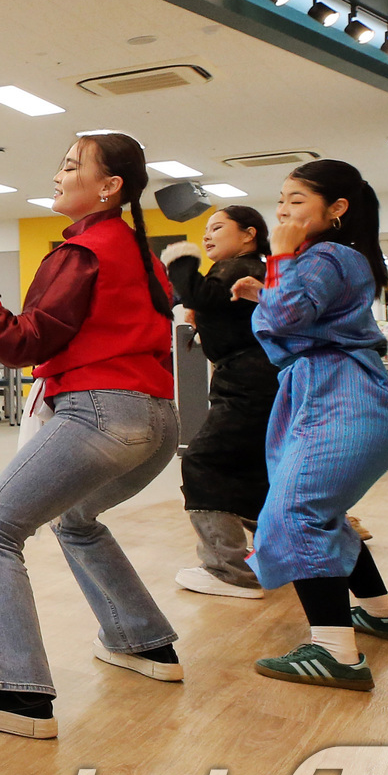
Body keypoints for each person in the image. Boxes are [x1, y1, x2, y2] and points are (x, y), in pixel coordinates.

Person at [0, 131, 180, 741]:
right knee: (76, 521)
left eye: (72, 166)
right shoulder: (139, 254)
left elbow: (20, 344)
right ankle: (143, 640)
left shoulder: (82, 252)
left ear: (109, 187)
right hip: (158, 420)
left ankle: (13, 689)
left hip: (101, 414)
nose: (58, 175)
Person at [235, 160, 388, 690]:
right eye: (281, 200)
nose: (282, 211)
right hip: (342, 390)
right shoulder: (333, 258)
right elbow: (304, 312)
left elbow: (286, 318)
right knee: (321, 513)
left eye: (296, 201)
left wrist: (278, 259)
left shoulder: (326, 254)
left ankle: (336, 652)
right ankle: (382, 614)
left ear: (337, 209)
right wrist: (264, 290)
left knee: (295, 514)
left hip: (340, 392)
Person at [159, 207, 279, 598]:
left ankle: (228, 571)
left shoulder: (240, 267)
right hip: (252, 380)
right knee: (252, 471)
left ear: (249, 234)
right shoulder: (246, 269)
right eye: (206, 229)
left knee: (203, 461)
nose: (208, 235)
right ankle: (282, 554)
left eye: (218, 227)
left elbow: (201, 294)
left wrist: (181, 261)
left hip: (247, 382)